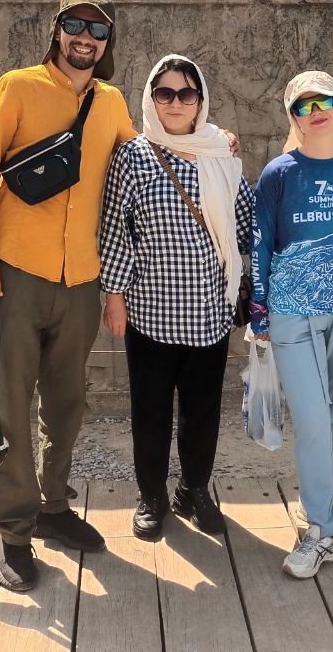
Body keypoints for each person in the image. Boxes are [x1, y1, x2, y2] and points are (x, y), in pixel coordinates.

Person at [0, 0, 136, 592]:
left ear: (108, 43)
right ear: (57, 30)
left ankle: (53, 507)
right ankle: (14, 531)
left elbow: (142, 159)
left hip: (82, 277)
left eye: (98, 30)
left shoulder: (111, 102)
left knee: (66, 401)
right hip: (16, 273)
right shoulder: (16, 87)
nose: (86, 38)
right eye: (76, 25)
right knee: (9, 403)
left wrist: (210, 143)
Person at [98, 55, 253, 541]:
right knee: (150, 412)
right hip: (152, 311)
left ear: (200, 99)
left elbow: (244, 222)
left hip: (209, 309)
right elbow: (115, 229)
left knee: (202, 412)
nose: (176, 103)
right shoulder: (134, 155)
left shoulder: (219, 152)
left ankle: (194, 490)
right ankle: (151, 496)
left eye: (186, 93)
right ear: (151, 99)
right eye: (165, 93)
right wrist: (114, 295)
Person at [249, 71, 333, 579]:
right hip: (290, 311)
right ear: (294, 118)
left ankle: (323, 507)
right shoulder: (278, 173)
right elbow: (260, 242)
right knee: (309, 417)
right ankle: (322, 532)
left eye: (324, 100)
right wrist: (258, 309)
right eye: (303, 106)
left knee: (332, 413)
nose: (316, 111)